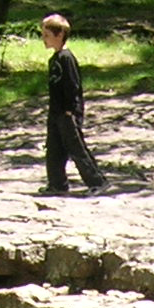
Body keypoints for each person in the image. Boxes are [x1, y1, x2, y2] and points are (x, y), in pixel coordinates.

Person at [40, 13, 104, 195]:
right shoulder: (54, 59)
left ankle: (97, 182)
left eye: (46, 35)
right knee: (54, 149)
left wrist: (71, 111)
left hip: (68, 113)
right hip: (55, 112)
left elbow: (73, 87)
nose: (43, 39)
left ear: (59, 35)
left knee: (76, 149)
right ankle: (57, 184)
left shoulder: (67, 58)